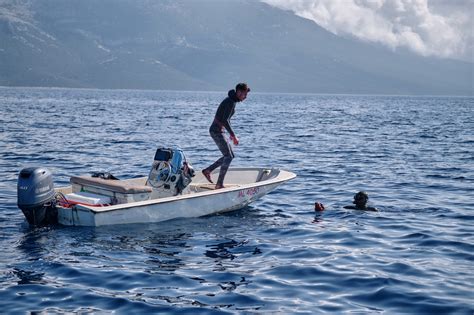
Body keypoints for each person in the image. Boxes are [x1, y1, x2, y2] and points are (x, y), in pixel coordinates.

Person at [202, 83, 250, 189]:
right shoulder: (230, 102)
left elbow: (225, 120)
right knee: (228, 156)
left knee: (230, 155)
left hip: (219, 131)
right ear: (239, 92)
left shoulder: (232, 101)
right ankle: (219, 184)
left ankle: (208, 170)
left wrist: (229, 133)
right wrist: (233, 135)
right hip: (216, 131)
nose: (245, 97)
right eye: (244, 94)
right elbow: (225, 120)